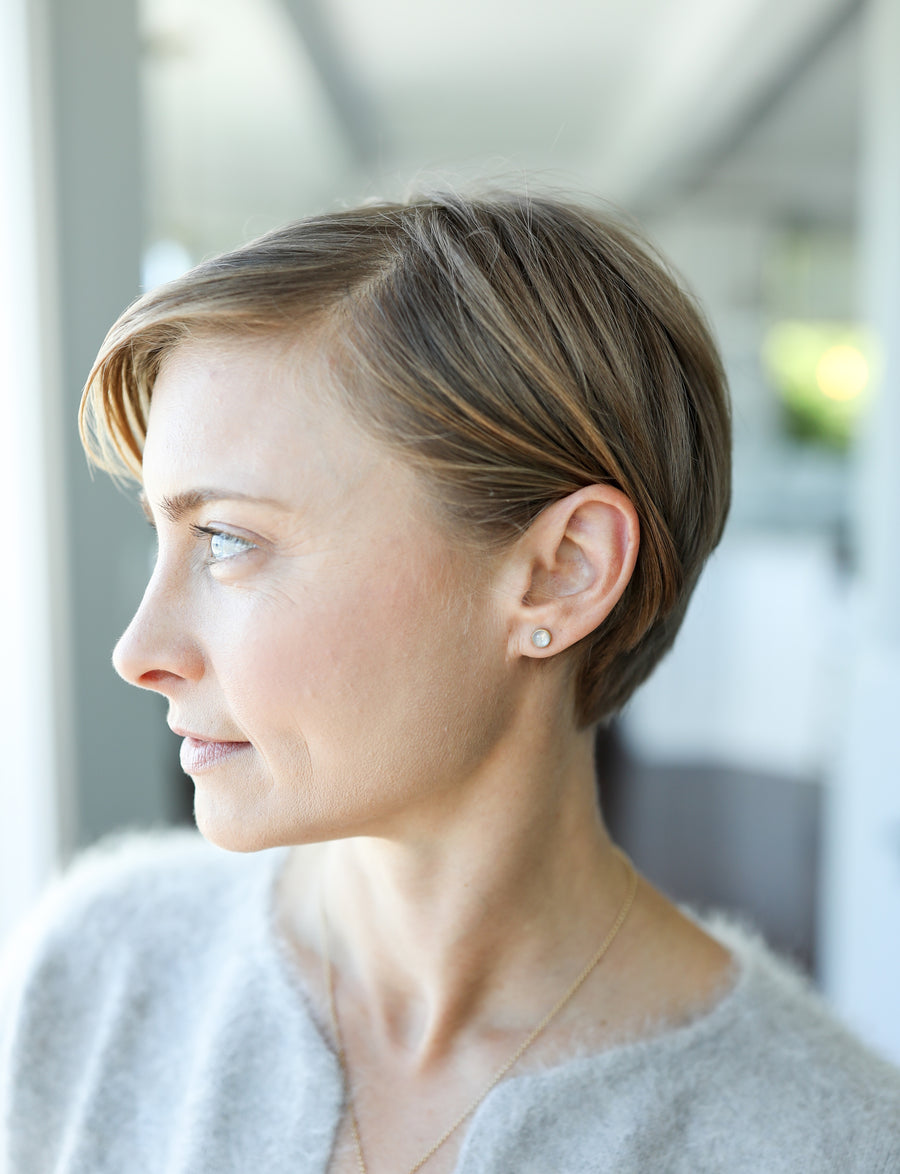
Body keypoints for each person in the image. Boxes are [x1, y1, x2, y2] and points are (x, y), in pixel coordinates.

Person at [2, 190, 898, 1174]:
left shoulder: (824, 1142)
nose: (139, 648)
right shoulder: (100, 968)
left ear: (563, 569)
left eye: (227, 539)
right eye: (162, 534)